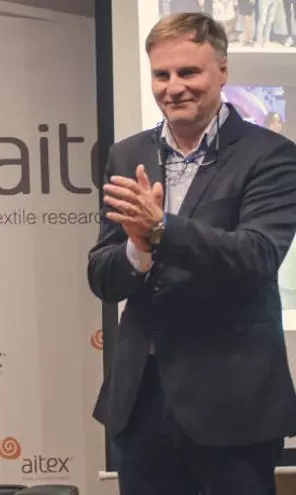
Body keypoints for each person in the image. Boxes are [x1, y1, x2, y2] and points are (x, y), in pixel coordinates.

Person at [88, 12, 296, 495]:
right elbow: (103, 275)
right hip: (142, 402)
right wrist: (138, 248)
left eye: (188, 72)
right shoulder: (127, 155)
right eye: (161, 75)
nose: (173, 87)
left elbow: (257, 256)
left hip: (232, 405)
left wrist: (161, 229)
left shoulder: (271, 155)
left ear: (222, 72)